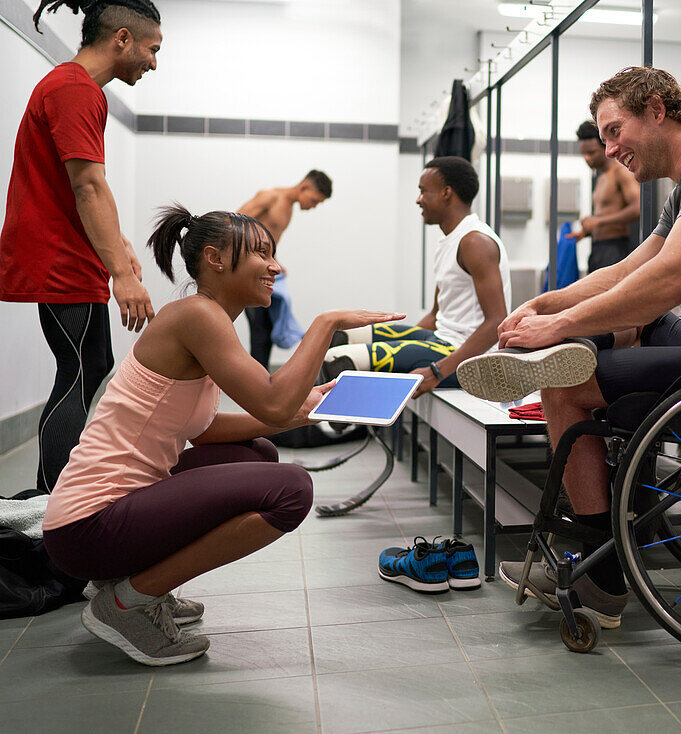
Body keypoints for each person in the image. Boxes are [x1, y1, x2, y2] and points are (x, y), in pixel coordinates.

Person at [457, 67, 681, 629]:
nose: (608, 150)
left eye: (613, 131)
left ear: (656, 109)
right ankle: (574, 363)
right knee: (629, 323)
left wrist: (561, 326)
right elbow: (634, 267)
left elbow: (677, 278)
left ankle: (601, 577)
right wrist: (549, 304)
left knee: (565, 388)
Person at [41, 204, 402, 666]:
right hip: (88, 528)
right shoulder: (197, 316)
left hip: (106, 519)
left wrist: (309, 412)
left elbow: (208, 432)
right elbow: (272, 401)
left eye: (273, 254)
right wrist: (325, 324)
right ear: (214, 259)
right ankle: (128, 602)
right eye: (260, 254)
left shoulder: (208, 320)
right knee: (292, 490)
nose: (275, 266)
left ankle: (134, 581)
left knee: (258, 454)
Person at [0, 0, 162, 493]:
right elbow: (87, 186)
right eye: (152, 49)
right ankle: (51, 501)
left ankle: (54, 494)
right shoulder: (75, 89)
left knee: (90, 365)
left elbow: (84, 185)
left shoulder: (74, 87)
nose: (154, 62)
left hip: (66, 253)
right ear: (121, 39)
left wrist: (121, 245)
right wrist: (125, 276)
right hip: (60, 260)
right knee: (79, 369)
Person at [323, 156, 510, 399]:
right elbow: (435, 315)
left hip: (471, 357)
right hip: (441, 338)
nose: (418, 199)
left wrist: (436, 371)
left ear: (446, 193)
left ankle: (327, 428)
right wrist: (405, 346)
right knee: (340, 335)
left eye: (423, 191)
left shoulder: (474, 242)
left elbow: (496, 322)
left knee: (337, 359)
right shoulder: (451, 239)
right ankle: (341, 421)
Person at [237, 170, 332, 369]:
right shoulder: (270, 197)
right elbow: (235, 224)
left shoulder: (288, 208)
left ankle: (259, 379)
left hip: (260, 272)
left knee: (266, 328)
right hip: (248, 273)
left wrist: (275, 261)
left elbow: (267, 238)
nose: (313, 206)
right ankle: (256, 383)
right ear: (304, 186)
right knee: (260, 331)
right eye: (314, 200)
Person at [567, 120, 640, 273]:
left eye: (591, 153)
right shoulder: (600, 178)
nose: (587, 158)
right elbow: (606, 212)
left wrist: (598, 221)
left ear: (605, 147)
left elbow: (638, 207)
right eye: (584, 154)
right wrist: (585, 232)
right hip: (598, 248)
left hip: (615, 249)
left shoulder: (620, 172)